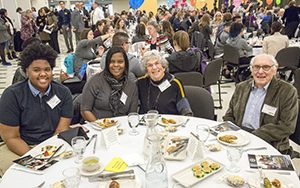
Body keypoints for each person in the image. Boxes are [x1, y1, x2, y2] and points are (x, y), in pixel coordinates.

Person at [0, 43, 73, 171]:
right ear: (26, 71)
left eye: (47, 69)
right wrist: (35, 160)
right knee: (18, 175)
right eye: (36, 70)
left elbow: (61, 131)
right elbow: (11, 137)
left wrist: (48, 155)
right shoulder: (12, 95)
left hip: (52, 144)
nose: (43, 74)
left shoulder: (63, 92)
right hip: (21, 146)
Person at [223, 54, 299, 158]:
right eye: (256, 67)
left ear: (275, 70)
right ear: (251, 69)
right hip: (239, 139)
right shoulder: (241, 87)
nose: (260, 72)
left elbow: (287, 126)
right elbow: (229, 115)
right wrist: (236, 135)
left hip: (270, 143)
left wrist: (253, 137)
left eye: (266, 67)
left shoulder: (287, 91)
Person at [81, 47, 138, 121]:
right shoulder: (95, 81)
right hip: (98, 127)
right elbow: (85, 110)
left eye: (120, 62)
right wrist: (101, 127)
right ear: (107, 63)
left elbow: (132, 115)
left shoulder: (131, 86)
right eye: (112, 61)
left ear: (125, 64)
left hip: (123, 128)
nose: (116, 65)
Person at [137, 50, 193, 116]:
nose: (154, 67)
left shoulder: (175, 83)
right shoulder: (140, 83)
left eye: (157, 63)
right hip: (147, 124)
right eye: (150, 65)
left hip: (169, 123)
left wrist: (187, 117)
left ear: (163, 67)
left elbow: (184, 106)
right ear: (146, 71)